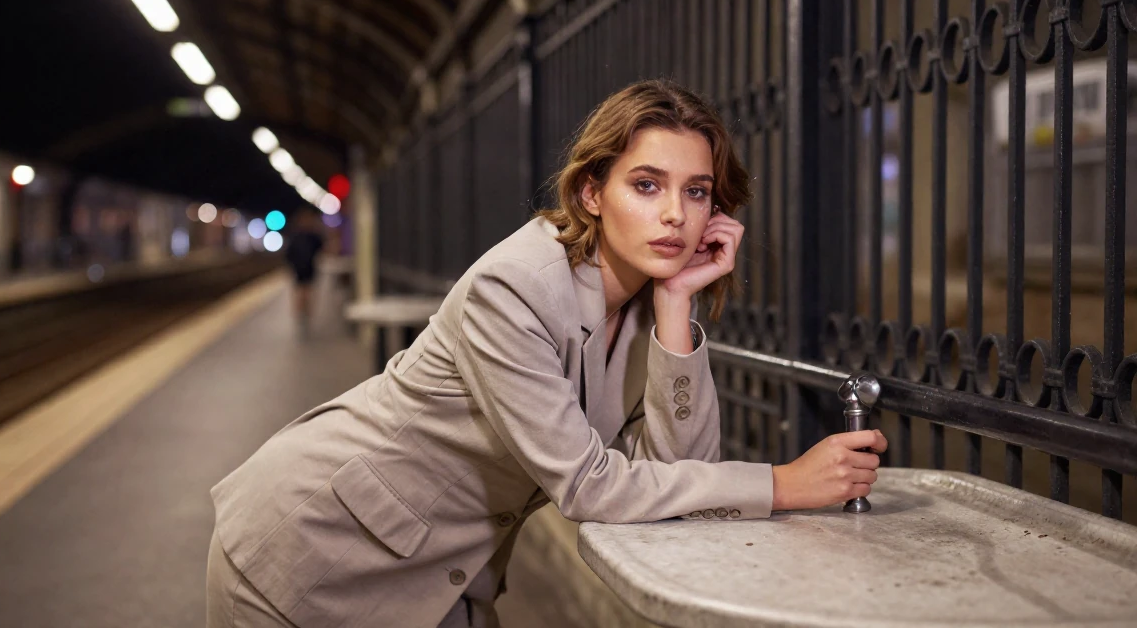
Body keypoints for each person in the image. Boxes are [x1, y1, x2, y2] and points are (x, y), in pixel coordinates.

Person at [205, 80, 888, 628]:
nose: (676, 214)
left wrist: (678, 303)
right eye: (646, 185)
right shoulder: (514, 288)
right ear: (592, 191)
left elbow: (680, 472)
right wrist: (779, 484)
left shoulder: (646, 303)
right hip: (311, 553)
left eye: (697, 191)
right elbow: (589, 487)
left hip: (434, 573)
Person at [283, 208, 325, 335]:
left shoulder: (311, 236)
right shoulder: (299, 236)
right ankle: (301, 316)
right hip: (300, 269)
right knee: (301, 293)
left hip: (308, 269)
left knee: (307, 293)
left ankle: (306, 315)